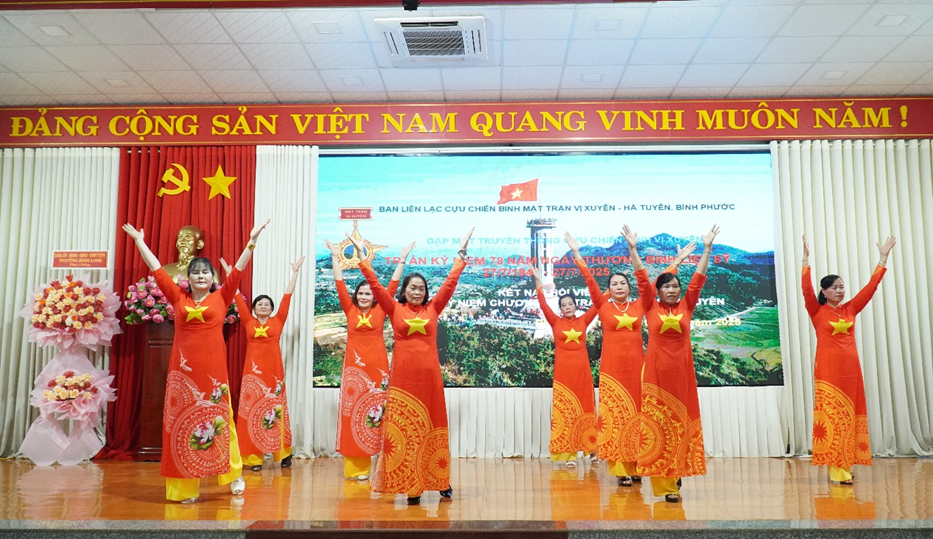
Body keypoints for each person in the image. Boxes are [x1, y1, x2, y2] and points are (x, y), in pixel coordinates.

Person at [122, 218, 270, 504]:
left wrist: (252, 241)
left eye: (206, 272)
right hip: (183, 373)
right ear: (188, 278)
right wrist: (140, 242)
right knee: (180, 426)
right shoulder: (177, 296)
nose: (201, 276)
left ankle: (233, 474)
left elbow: (239, 269)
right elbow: (156, 268)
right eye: (196, 272)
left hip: (214, 372)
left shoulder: (222, 297)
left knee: (221, 423)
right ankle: (184, 489)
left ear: (212, 278)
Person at [347, 228, 474, 506]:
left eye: (421, 289)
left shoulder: (433, 308)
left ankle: (440, 480)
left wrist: (461, 252)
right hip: (403, 381)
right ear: (404, 291)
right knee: (406, 430)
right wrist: (361, 256)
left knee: (431, 427)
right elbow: (376, 285)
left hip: (430, 380)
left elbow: (450, 283)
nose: (417, 292)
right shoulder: (394, 308)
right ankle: (411, 484)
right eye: (413, 288)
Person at [565, 231, 694, 486]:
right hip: (612, 372)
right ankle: (621, 470)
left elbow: (653, 283)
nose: (619, 287)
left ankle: (638, 466)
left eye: (623, 283)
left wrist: (677, 262)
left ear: (628, 287)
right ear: (609, 289)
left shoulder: (639, 306)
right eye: (614, 284)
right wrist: (577, 254)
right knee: (615, 419)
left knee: (638, 419)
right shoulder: (602, 305)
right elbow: (589, 280)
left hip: (638, 371)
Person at [801, 234, 896, 485]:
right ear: (824, 291)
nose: (839, 290)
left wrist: (883, 259)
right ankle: (838, 470)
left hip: (851, 371)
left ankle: (845, 463)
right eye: (834, 287)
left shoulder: (850, 309)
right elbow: (806, 289)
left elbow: (870, 288)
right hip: (828, 373)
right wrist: (805, 260)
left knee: (850, 417)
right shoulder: (817, 310)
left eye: (842, 287)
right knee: (834, 418)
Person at [634, 224, 719, 503]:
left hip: (681, 375)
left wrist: (706, 249)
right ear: (658, 291)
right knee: (658, 426)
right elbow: (642, 279)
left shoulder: (686, 306)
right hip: (655, 375)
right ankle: (667, 485)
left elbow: (698, 280)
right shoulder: (650, 306)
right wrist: (633, 249)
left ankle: (676, 467)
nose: (672, 290)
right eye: (666, 286)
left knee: (679, 424)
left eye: (675, 286)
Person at [324, 239, 413, 481]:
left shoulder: (381, 309)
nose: (364, 296)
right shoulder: (349, 309)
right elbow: (339, 283)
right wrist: (335, 257)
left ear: (375, 297)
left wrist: (402, 259)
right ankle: (358, 468)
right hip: (354, 370)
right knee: (353, 414)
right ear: (356, 296)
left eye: (369, 294)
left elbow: (392, 285)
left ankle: (385, 465)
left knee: (377, 415)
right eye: (361, 293)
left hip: (378, 369)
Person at [219, 256, 305, 473]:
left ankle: (283, 454)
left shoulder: (278, 320)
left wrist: (295, 273)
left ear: (272, 308)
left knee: (276, 411)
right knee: (251, 413)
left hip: (274, 373)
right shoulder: (248, 320)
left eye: (267, 304)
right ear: (254, 309)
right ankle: (253, 457)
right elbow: (236, 296)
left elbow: (287, 297)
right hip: (252, 374)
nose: (263, 306)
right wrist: (231, 275)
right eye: (260, 304)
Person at [528, 260, 598, 467]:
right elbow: (542, 304)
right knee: (566, 411)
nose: (567, 307)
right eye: (564, 305)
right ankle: (568, 455)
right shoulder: (555, 322)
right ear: (560, 309)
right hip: (563, 374)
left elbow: (598, 304)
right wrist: (538, 282)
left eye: (570, 304)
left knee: (586, 408)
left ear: (576, 306)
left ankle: (591, 449)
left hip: (582, 372)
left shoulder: (583, 320)